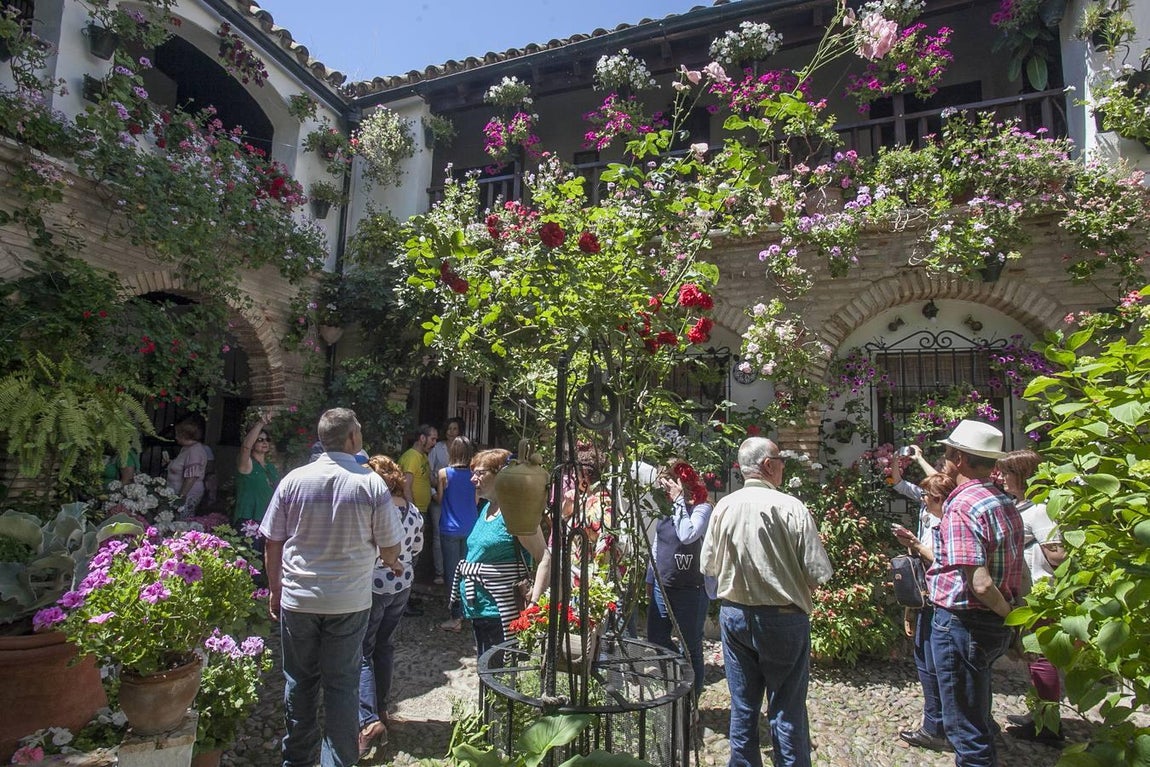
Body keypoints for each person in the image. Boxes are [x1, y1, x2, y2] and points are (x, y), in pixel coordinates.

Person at [260, 408, 403, 767]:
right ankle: (339, 762)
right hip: (348, 602)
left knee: (299, 682)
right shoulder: (371, 485)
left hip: (299, 598)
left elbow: (272, 541)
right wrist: (388, 559)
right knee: (342, 686)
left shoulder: (293, 480)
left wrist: (275, 590)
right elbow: (391, 547)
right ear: (353, 439)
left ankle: (297, 760)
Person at [700, 437, 833, 767]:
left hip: (734, 616)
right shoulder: (791, 507)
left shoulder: (724, 507)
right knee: (786, 707)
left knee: (743, 707)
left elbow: (708, 567)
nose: (783, 466)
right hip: (783, 618)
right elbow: (818, 573)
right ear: (768, 466)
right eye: (781, 460)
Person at [927, 420, 1025, 767]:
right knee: (979, 709)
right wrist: (1015, 617)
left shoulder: (962, 506)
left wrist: (1005, 613)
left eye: (947, 453)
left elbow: (980, 583)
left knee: (964, 726)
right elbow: (1019, 567)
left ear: (958, 458)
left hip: (965, 623)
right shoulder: (1004, 501)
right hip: (995, 623)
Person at [449, 448, 546, 667]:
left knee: (498, 675)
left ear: (500, 474)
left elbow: (544, 557)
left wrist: (534, 604)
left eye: (480, 473)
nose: (473, 478)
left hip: (500, 613)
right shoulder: (486, 508)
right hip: (480, 609)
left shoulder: (514, 512)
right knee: (487, 673)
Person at [997, 449, 1066, 743]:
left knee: (1041, 657)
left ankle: (1049, 726)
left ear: (1022, 475)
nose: (1000, 477)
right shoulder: (1021, 505)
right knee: (1032, 655)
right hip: (1023, 591)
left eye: (1006, 473)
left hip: (1039, 593)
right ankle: (1039, 716)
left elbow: (1058, 555)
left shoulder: (1040, 510)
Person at [358, 455, 424, 756]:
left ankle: (368, 719)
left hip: (375, 584)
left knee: (362, 652)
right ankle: (383, 708)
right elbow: (416, 548)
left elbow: (371, 550)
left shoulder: (377, 511)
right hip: (402, 585)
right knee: (385, 646)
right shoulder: (413, 512)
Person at [892, 472, 957, 753]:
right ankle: (937, 724)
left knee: (938, 666)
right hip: (928, 598)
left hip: (943, 599)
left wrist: (915, 545)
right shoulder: (934, 519)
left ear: (939, 499)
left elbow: (945, 561)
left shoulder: (951, 524)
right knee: (927, 661)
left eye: (927, 497)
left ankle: (941, 727)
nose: (923, 501)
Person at [646, 459, 715, 699]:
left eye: (667, 483)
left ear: (680, 483)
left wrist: (678, 502)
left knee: (691, 645)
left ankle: (691, 699)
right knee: (656, 638)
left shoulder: (702, 509)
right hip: (663, 585)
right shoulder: (666, 508)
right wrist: (649, 578)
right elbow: (657, 544)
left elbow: (687, 535)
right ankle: (678, 678)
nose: (662, 489)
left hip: (691, 589)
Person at [437, 435, 478, 633]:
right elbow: (477, 500)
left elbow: (439, 498)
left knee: (452, 575)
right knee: (469, 574)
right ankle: (470, 611)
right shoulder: (474, 475)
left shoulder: (444, 473)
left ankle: (455, 617)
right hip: (471, 527)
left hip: (450, 527)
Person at [428, 417, 465, 585]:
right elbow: (428, 472)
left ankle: (459, 575)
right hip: (439, 497)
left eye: (455, 429)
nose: (451, 432)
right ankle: (440, 572)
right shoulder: (438, 448)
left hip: (456, 499)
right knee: (437, 534)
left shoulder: (463, 451)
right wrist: (434, 490)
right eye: (449, 429)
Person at [234, 411, 280, 534]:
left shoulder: (270, 467)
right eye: (260, 440)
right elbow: (245, 448)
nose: (265, 442)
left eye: (267, 440)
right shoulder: (247, 464)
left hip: (267, 519)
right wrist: (261, 423)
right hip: (249, 519)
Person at [166, 418, 209, 516]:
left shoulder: (195, 451)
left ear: (184, 435)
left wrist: (181, 497)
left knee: (182, 518)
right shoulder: (186, 448)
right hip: (176, 490)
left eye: (177, 434)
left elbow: (191, 477)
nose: (175, 437)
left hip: (188, 493)